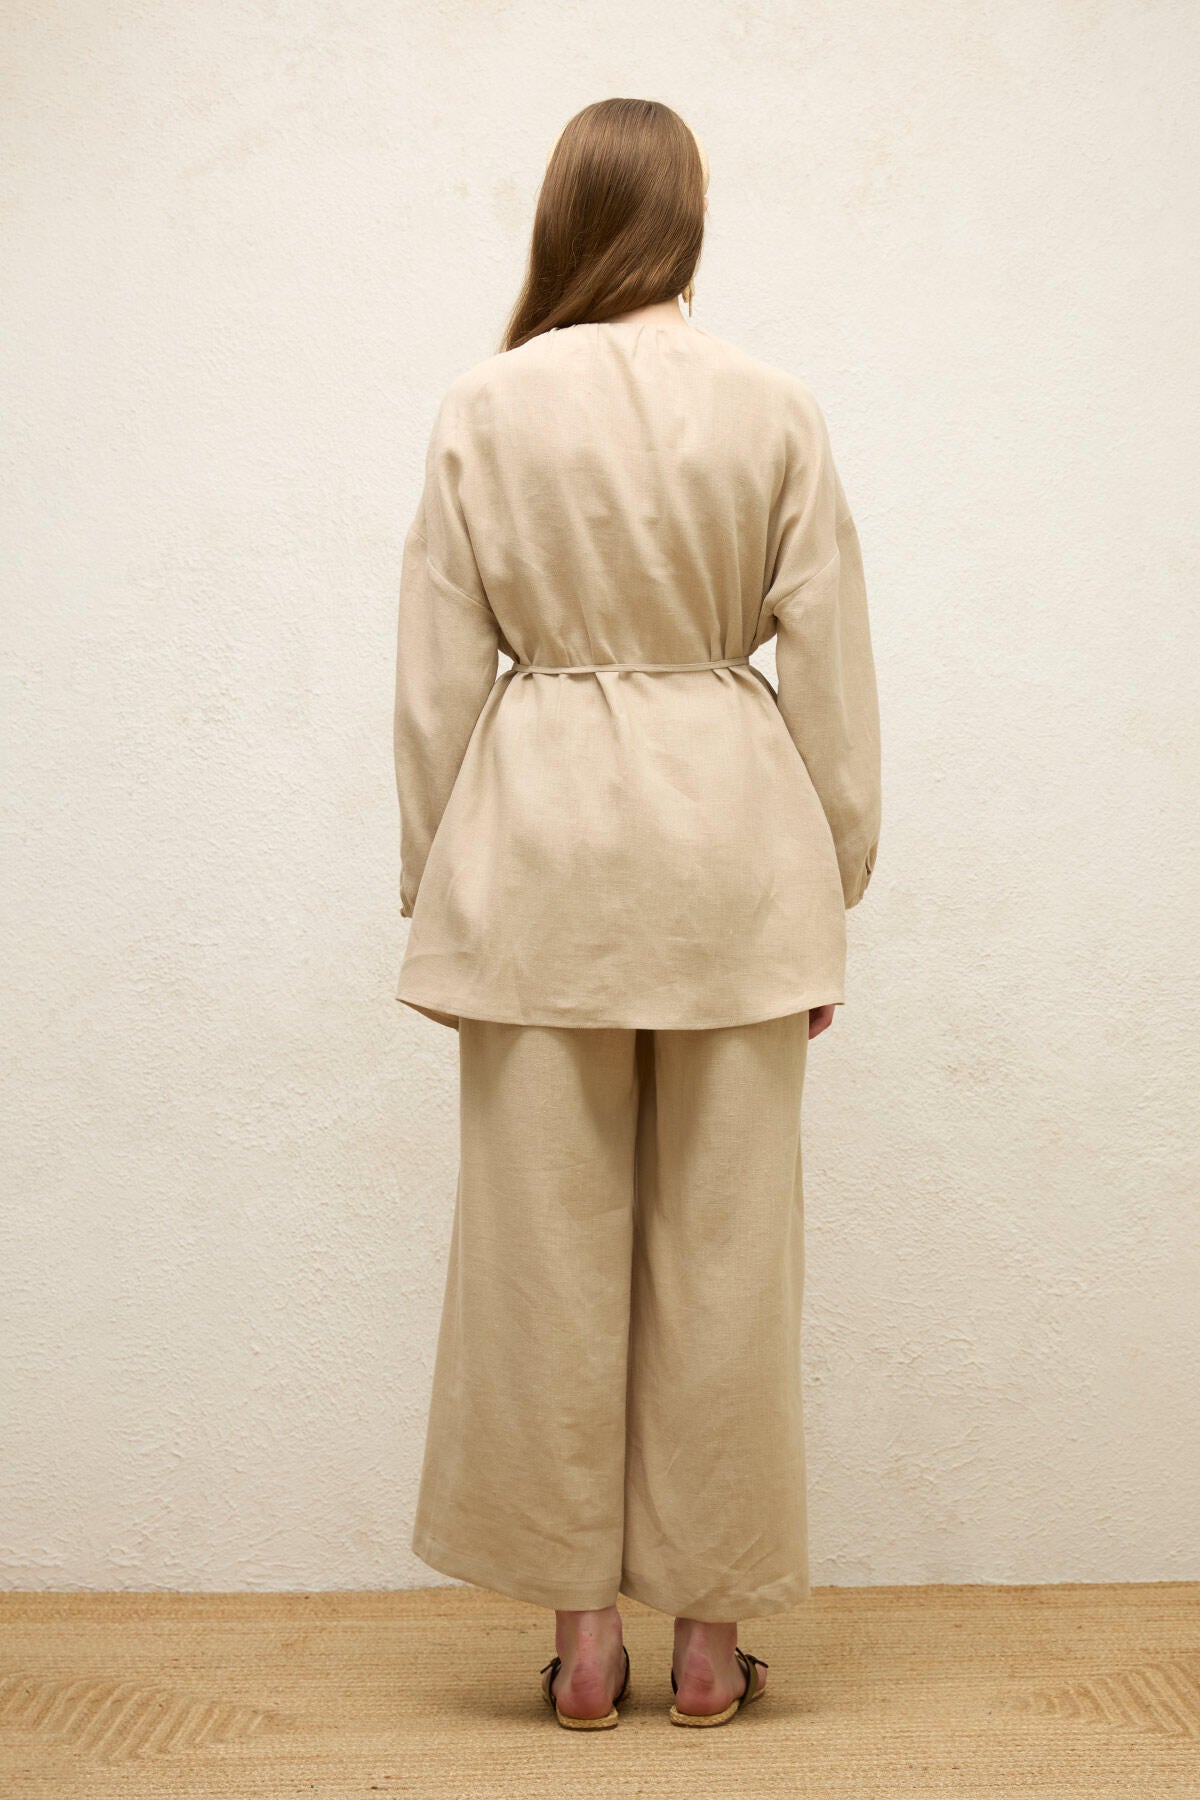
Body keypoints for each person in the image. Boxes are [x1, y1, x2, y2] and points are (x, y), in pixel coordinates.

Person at [392, 97, 881, 1730]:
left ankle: (585, 1643)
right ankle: (711, 1645)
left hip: (537, 869)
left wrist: (437, 886)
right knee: (729, 1261)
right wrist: (833, 884)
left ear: (565, 218)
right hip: (736, 867)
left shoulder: (483, 407)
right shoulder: (774, 405)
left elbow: (436, 679)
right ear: (689, 221)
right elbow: (832, 667)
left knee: (540, 1257)